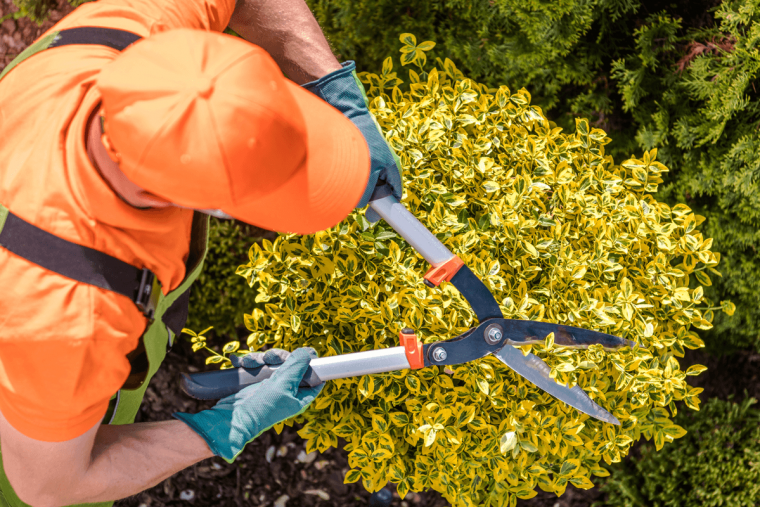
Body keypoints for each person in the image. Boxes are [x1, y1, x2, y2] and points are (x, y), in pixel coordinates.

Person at [0, 0, 402, 505]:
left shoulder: (143, 43)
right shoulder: (71, 319)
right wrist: (220, 427)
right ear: (186, 201)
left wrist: (335, 94)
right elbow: (50, 483)